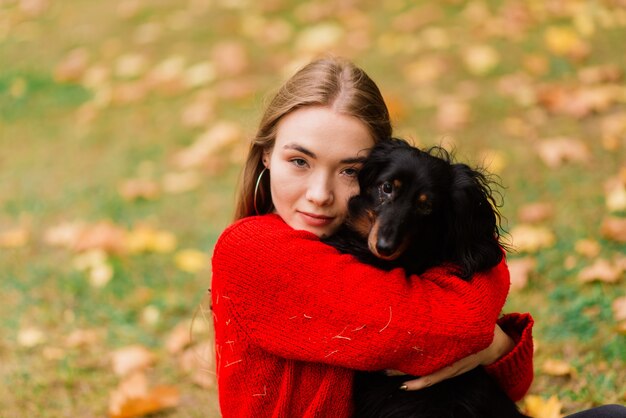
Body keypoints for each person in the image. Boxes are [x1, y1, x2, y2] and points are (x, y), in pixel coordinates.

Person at [210, 57, 623, 417]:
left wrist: (495, 347)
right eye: (299, 160)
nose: (320, 195)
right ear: (265, 153)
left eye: (350, 170)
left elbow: (512, 385)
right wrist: (486, 337)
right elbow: (451, 328)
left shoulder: (385, 243)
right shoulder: (251, 250)